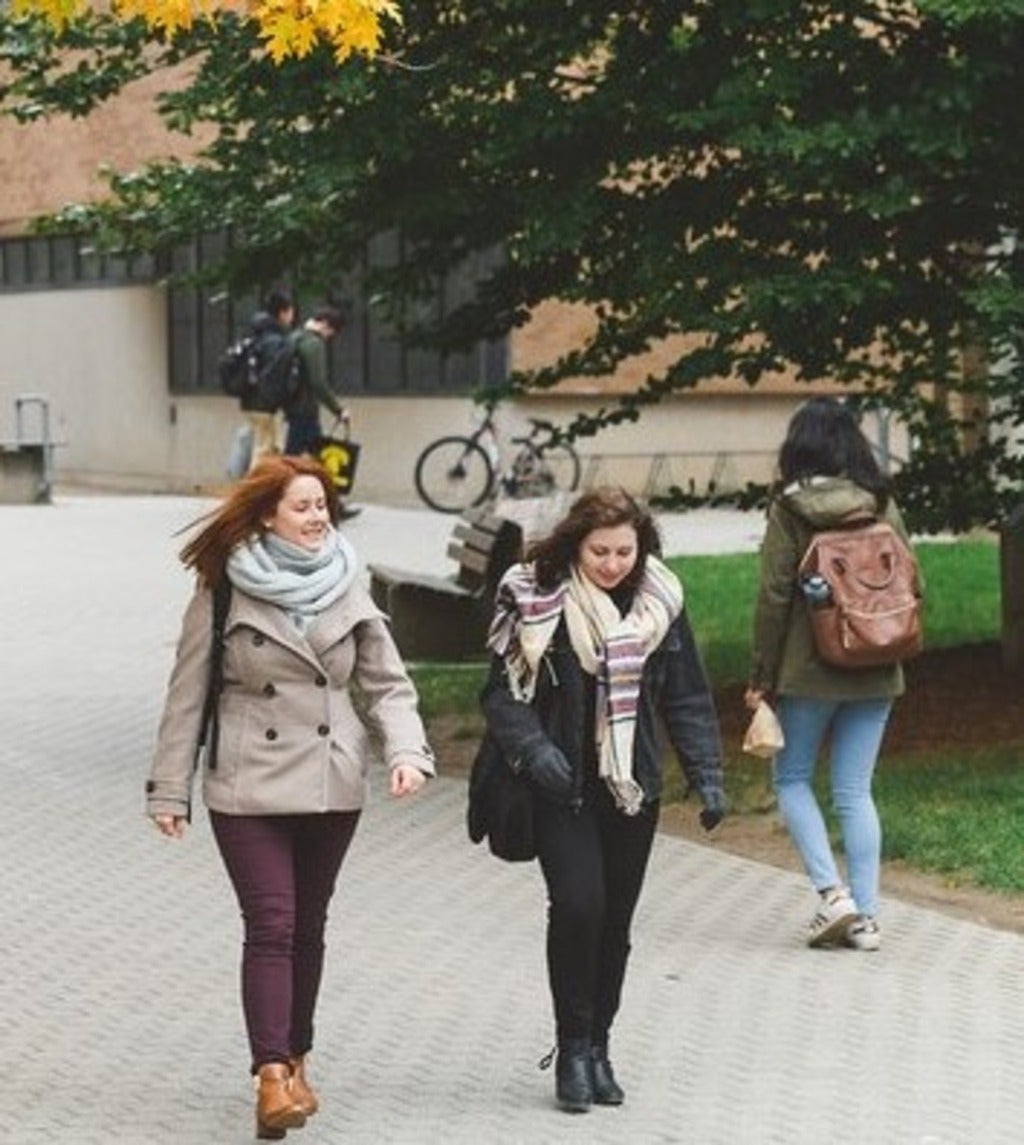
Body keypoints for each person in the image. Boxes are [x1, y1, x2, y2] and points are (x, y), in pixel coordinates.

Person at [145, 454, 434, 1139]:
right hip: (247, 781)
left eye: (322, 505)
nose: (316, 517)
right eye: (302, 506)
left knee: (307, 926)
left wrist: (407, 751)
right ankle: (271, 1076)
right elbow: (187, 694)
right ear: (267, 516)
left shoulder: (348, 580)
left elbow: (387, 682)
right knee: (271, 923)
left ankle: (298, 1057)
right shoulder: (223, 589)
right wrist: (170, 788)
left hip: (332, 779)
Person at [480, 487, 726, 1114]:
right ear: (575, 546)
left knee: (614, 922)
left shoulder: (660, 603)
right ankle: (571, 1047)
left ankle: (599, 1048)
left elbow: (687, 696)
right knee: (577, 906)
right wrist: (534, 751)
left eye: (624, 552)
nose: (613, 564)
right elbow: (500, 694)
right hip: (560, 785)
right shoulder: (535, 596)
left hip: (629, 787)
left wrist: (707, 774)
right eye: (600, 552)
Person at [745, 396, 918, 953]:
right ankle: (866, 918)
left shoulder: (791, 509)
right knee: (854, 791)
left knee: (792, 779)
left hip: (809, 670)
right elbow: (913, 580)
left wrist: (761, 675)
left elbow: (774, 597)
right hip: (877, 663)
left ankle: (832, 894)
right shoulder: (880, 502)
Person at [241, 289, 296, 471]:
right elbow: (275, 375)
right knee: (265, 451)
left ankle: (259, 484)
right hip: (266, 404)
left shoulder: (257, 334)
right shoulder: (276, 341)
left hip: (250, 400)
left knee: (263, 447)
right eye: (291, 311)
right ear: (282, 313)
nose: (292, 316)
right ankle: (255, 486)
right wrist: (280, 401)